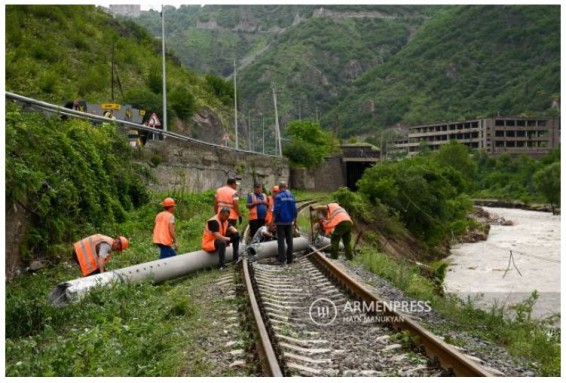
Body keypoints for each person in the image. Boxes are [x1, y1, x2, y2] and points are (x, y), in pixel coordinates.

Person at [273, 181, 297, 265]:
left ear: (279, 188)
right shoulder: (291, 196)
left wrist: (273, 219)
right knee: (289, 240)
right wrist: (294, 218)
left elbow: (276, 209)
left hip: (280, 221)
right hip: (289, 221)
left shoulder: (278, 196)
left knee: (281, 241)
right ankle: (290, 259)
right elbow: (295, 209)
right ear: (286, 187)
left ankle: (282, 259)